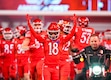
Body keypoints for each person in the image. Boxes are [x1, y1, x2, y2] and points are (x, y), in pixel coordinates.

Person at [26, 14, 76, 80]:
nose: (53, 35)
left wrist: (75, 23)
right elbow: (34, 34)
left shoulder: (61, 39)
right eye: (51, 33)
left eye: (55, 33)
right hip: (47, 66)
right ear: (48, 32)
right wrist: (29, 23)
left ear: (58, 32)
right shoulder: (45, 39)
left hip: (56, 67)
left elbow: (71, 34)